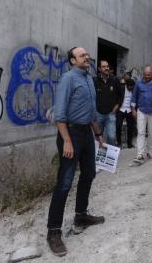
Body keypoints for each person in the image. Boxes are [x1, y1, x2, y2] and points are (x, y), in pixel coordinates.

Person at [46, 47, 106, 256]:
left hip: (87, 134)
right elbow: (60, 115)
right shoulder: (68, 79)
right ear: (72, 61)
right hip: (70, 134)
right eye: (82, 55)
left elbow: (92, 112)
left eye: (87, 54)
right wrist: (67, 142)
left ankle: (81, 215)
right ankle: (53, 231)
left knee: (89, 174)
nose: (87, 57)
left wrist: (98, 135)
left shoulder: (89, 78)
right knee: (64, 183)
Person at [130, 66, 152, 165]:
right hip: (141, 111)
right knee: (141, 132)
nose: (147, 76)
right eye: (145, 74)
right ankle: (140, 154)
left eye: (149, 74)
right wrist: (133, 109)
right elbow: (134, 97)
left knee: (151, 133)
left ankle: (150, 152)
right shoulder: (138, 83)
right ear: (143, 74)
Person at [94, 60, 121, 146]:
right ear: (99, 68)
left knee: (111, 137)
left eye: (107, 66)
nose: (106, 68)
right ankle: (97, 157)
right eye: (104, 67)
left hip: (110, 114)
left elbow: (121, 95)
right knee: (98, 137)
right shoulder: (94, 80)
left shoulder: (115, 80)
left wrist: (116, 107)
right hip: (98, 114)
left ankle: (110, 157)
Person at [116, 77, 136, 148]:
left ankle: (129, 143)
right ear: (126, 85)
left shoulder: (134, 90)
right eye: (129, 86)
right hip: (121, 109)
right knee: (118, 126)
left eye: (132, 86)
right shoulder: (121, 88)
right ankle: (119, 143)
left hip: (129, 110)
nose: (131, 88)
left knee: (130, 127)